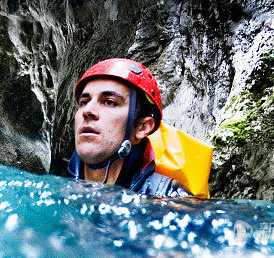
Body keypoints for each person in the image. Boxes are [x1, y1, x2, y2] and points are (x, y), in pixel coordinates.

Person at [67, 58, 189, 197]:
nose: (88, 111)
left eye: (109, 102)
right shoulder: (59, 186)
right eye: (84, 102)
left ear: (142, 127)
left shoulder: (167, 199)